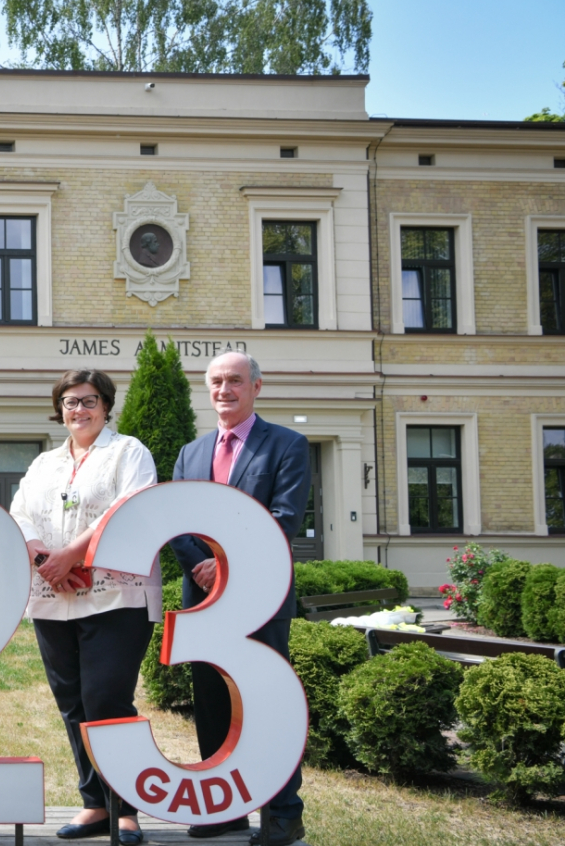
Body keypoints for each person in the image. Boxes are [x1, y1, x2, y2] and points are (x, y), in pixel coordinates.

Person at [10, 369, 160, 846]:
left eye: (89, 400)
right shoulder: (43, 464)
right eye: (70, 401)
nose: (79, 409)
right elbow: (20, 513)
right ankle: (95, 804)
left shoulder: (128, 452)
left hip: (115, 597)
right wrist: (44, 560)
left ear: (106, 405)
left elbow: (130, 506)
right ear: (60, 408)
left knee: (107, 700)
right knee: (73, 703)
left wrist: (72, 555)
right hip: (54, 598)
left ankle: (126, 809)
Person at [171, 352, 310, 846]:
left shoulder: (288, 445)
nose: (223, 389)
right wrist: (203, 567)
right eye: (215, 381)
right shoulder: (191, 452)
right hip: (203, 597)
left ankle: (283, 814)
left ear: (256, 387)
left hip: (260, 595)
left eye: (234, 380)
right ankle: (222, 809)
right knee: (210, 699)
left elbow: (283, 517)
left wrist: (226, 563)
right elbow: (176, 520)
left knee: (265, 700)